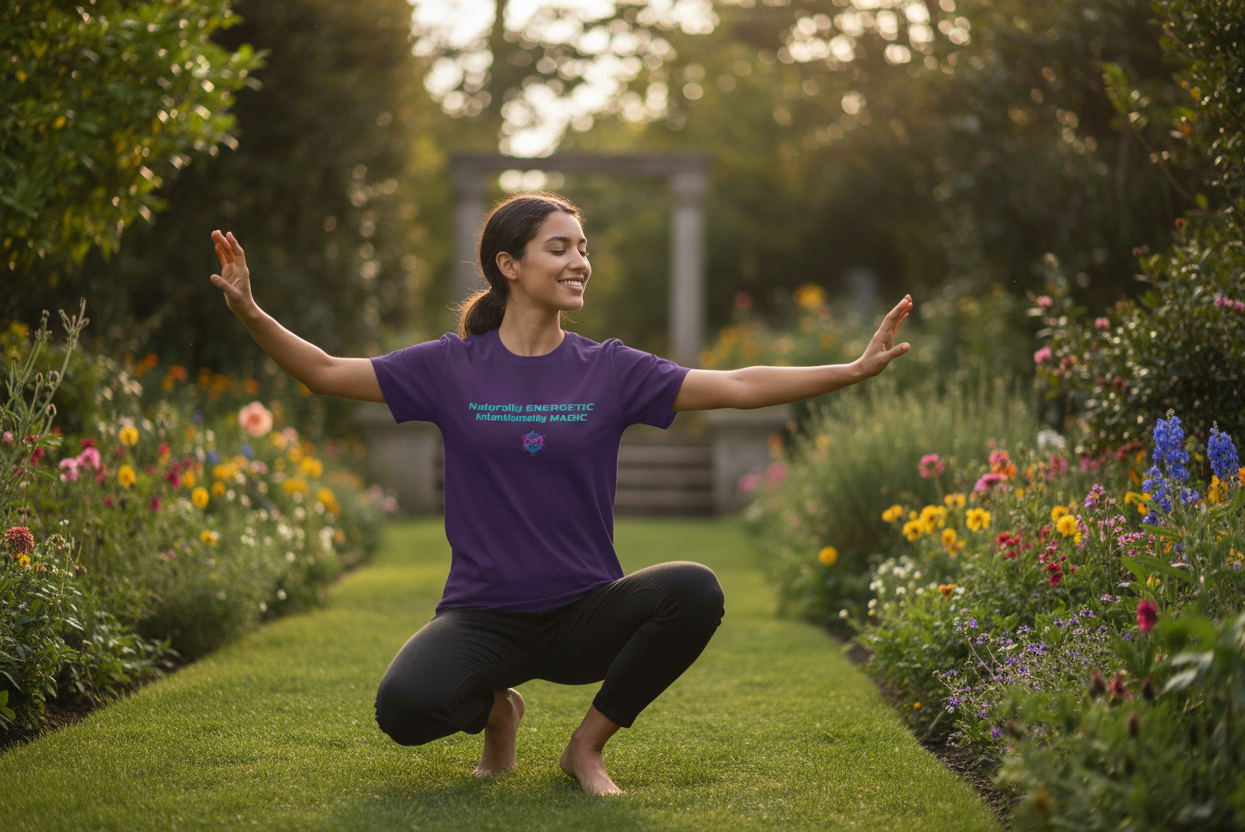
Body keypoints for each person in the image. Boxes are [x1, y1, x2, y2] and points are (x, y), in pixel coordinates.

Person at [209, 192, 911, 796]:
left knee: (694, 589)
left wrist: (850, 370)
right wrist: (250, 313)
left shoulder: (608, 369)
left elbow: (733, 386)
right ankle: (499, 714)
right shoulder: (451, 368)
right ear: (509, 266)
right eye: (560, 248)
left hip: (585, 616)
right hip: (485, 617)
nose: (580, 261)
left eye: (583, 248)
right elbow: (329, 373)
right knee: (405, 710)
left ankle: (586, 747)